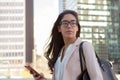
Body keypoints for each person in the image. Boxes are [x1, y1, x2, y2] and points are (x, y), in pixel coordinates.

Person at [31, 10, 103, 80]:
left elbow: (97, 77)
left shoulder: (85, 46)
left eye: (73, 23)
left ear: (77, 27)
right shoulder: (60, 52)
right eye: (65, 23)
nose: (69, 26)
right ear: (59, 28)